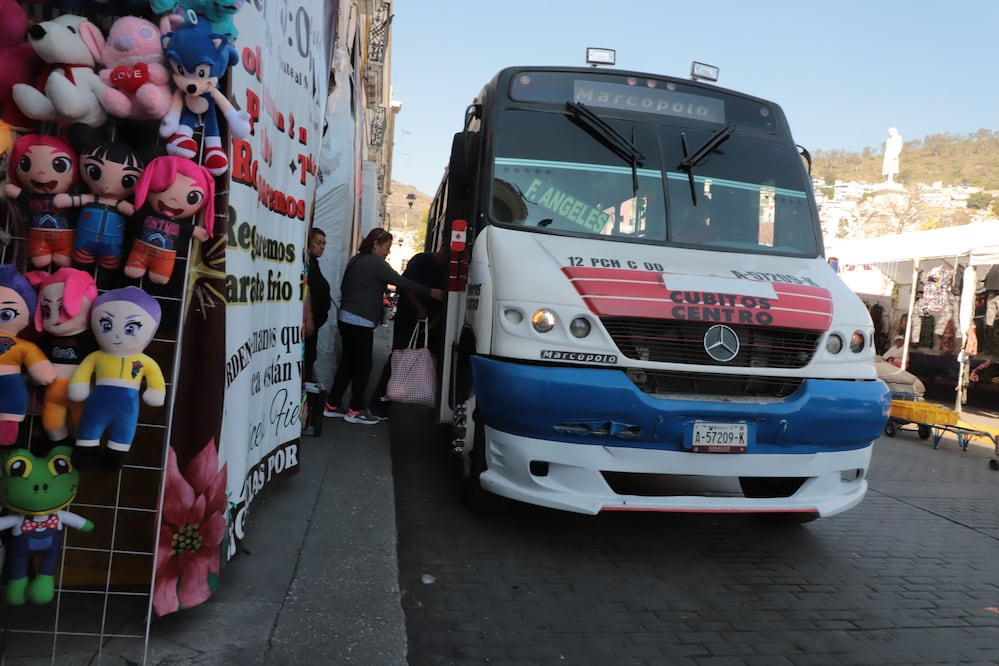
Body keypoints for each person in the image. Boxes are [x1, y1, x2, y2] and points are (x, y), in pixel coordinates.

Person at [323, 228, 443, 425]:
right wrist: (431, 292)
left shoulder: (357, 260)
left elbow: (352, 285)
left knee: (347, 364)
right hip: (360, 320)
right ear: (376, 244)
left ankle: (332, 405)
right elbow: (401, 281)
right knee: (363, 367)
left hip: (346, 317)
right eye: (386, 247)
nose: (388, 252)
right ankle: (354, 410)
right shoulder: (376, 263)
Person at [370, 247, 449, 416]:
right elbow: (405, 286)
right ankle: (380, 402)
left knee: (420, 359)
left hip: (429, 321)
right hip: (409, 318)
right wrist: (419, 309)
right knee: (400, 357)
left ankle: (407, 396)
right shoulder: (422, 261)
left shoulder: (445, 269)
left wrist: (436, 319)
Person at [303, 227, 331, 383]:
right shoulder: (307, 263)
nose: (322, 247)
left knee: (310, 357)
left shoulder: (314, 262)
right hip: (308, 325)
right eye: (318, 242)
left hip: (314, 326)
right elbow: (306, 289)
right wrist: (310, 319)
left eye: (324, 244)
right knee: (306, 358)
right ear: (309, 242)